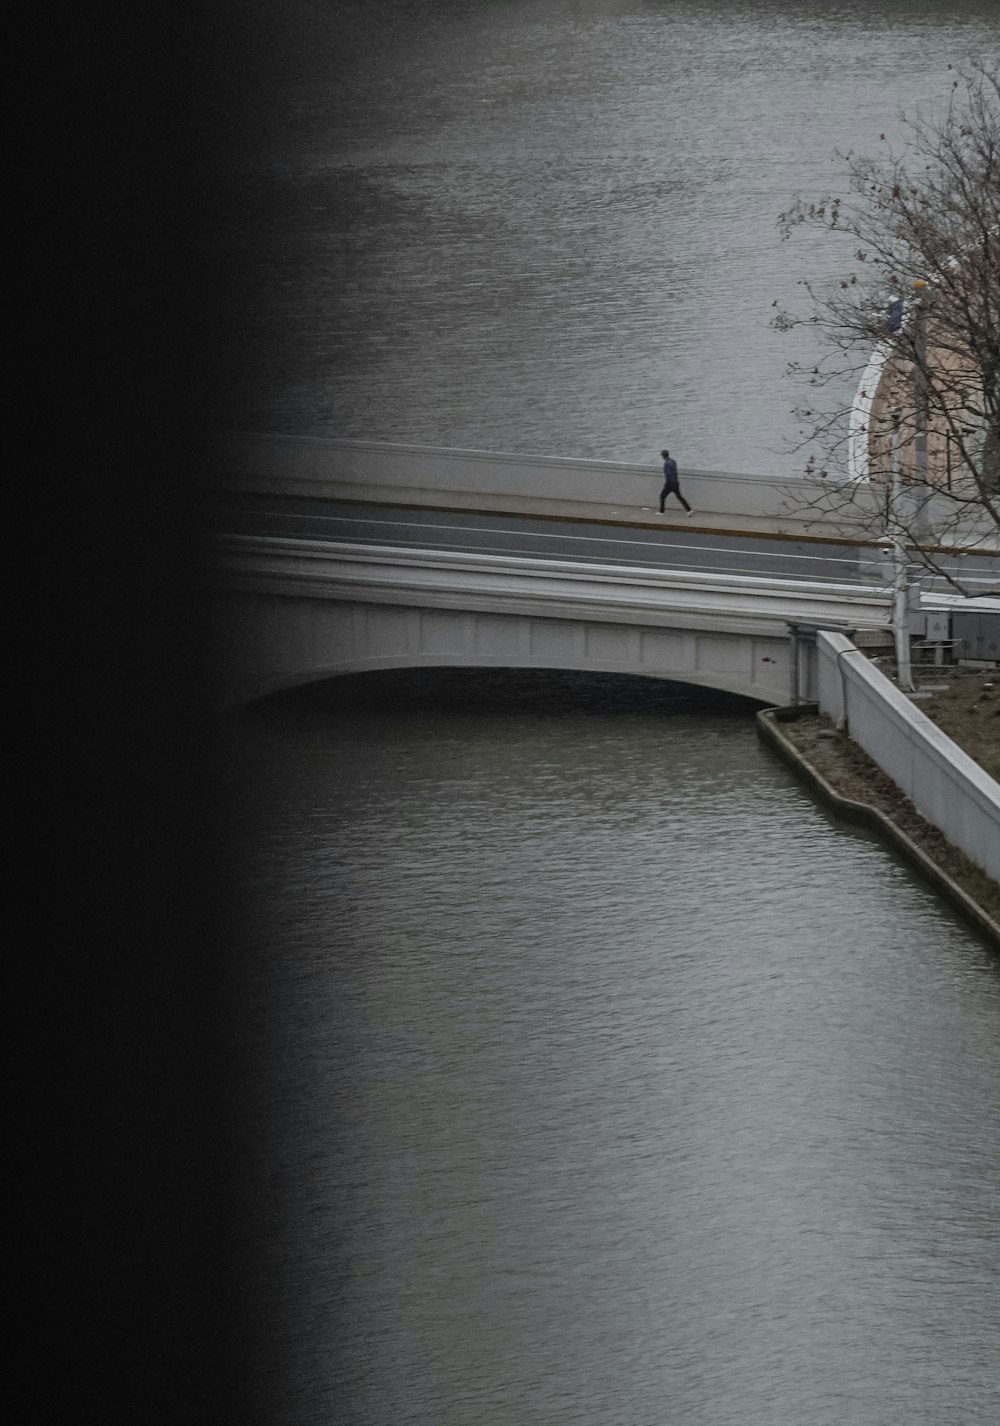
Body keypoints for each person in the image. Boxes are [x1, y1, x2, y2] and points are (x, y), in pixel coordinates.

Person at [658, 449, 692, 514]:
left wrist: (667, 484)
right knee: (679, 497)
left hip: (670, 483)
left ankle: (661, 512)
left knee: (662, 496)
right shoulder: (673, 461)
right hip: (676, 482)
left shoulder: (666, 463)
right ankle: (689, 510)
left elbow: (668, 474)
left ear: (663, 456)